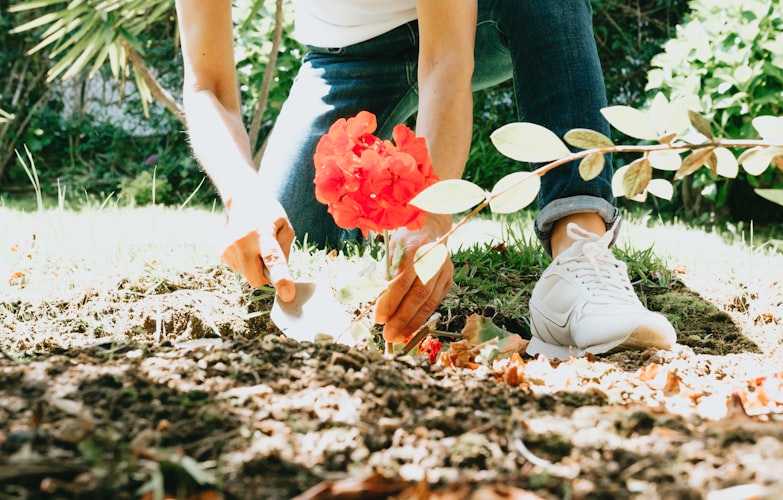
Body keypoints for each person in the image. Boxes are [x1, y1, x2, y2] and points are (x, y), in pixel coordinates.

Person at [174, 0, 676, 359]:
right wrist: (243, 193)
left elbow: (444, 60)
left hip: (479, 20)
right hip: (343, 58)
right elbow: (207, 85)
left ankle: (579, 252)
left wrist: (431, 219)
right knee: (289, 233)